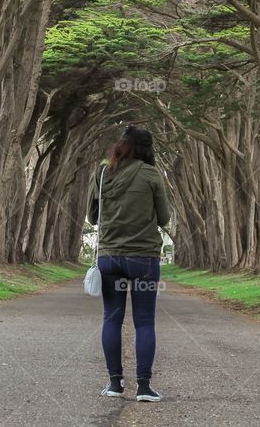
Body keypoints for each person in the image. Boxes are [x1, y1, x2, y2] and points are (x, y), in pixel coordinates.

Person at [87, 125, 170, 402]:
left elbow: (92, 217)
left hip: (109, 257)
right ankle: (144, 387)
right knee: (144, 322)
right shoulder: (151, 175)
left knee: (111, 318)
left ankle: (114, 383)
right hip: (143, 258)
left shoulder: (102, 174)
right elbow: (164, 218)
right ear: (147, 149)